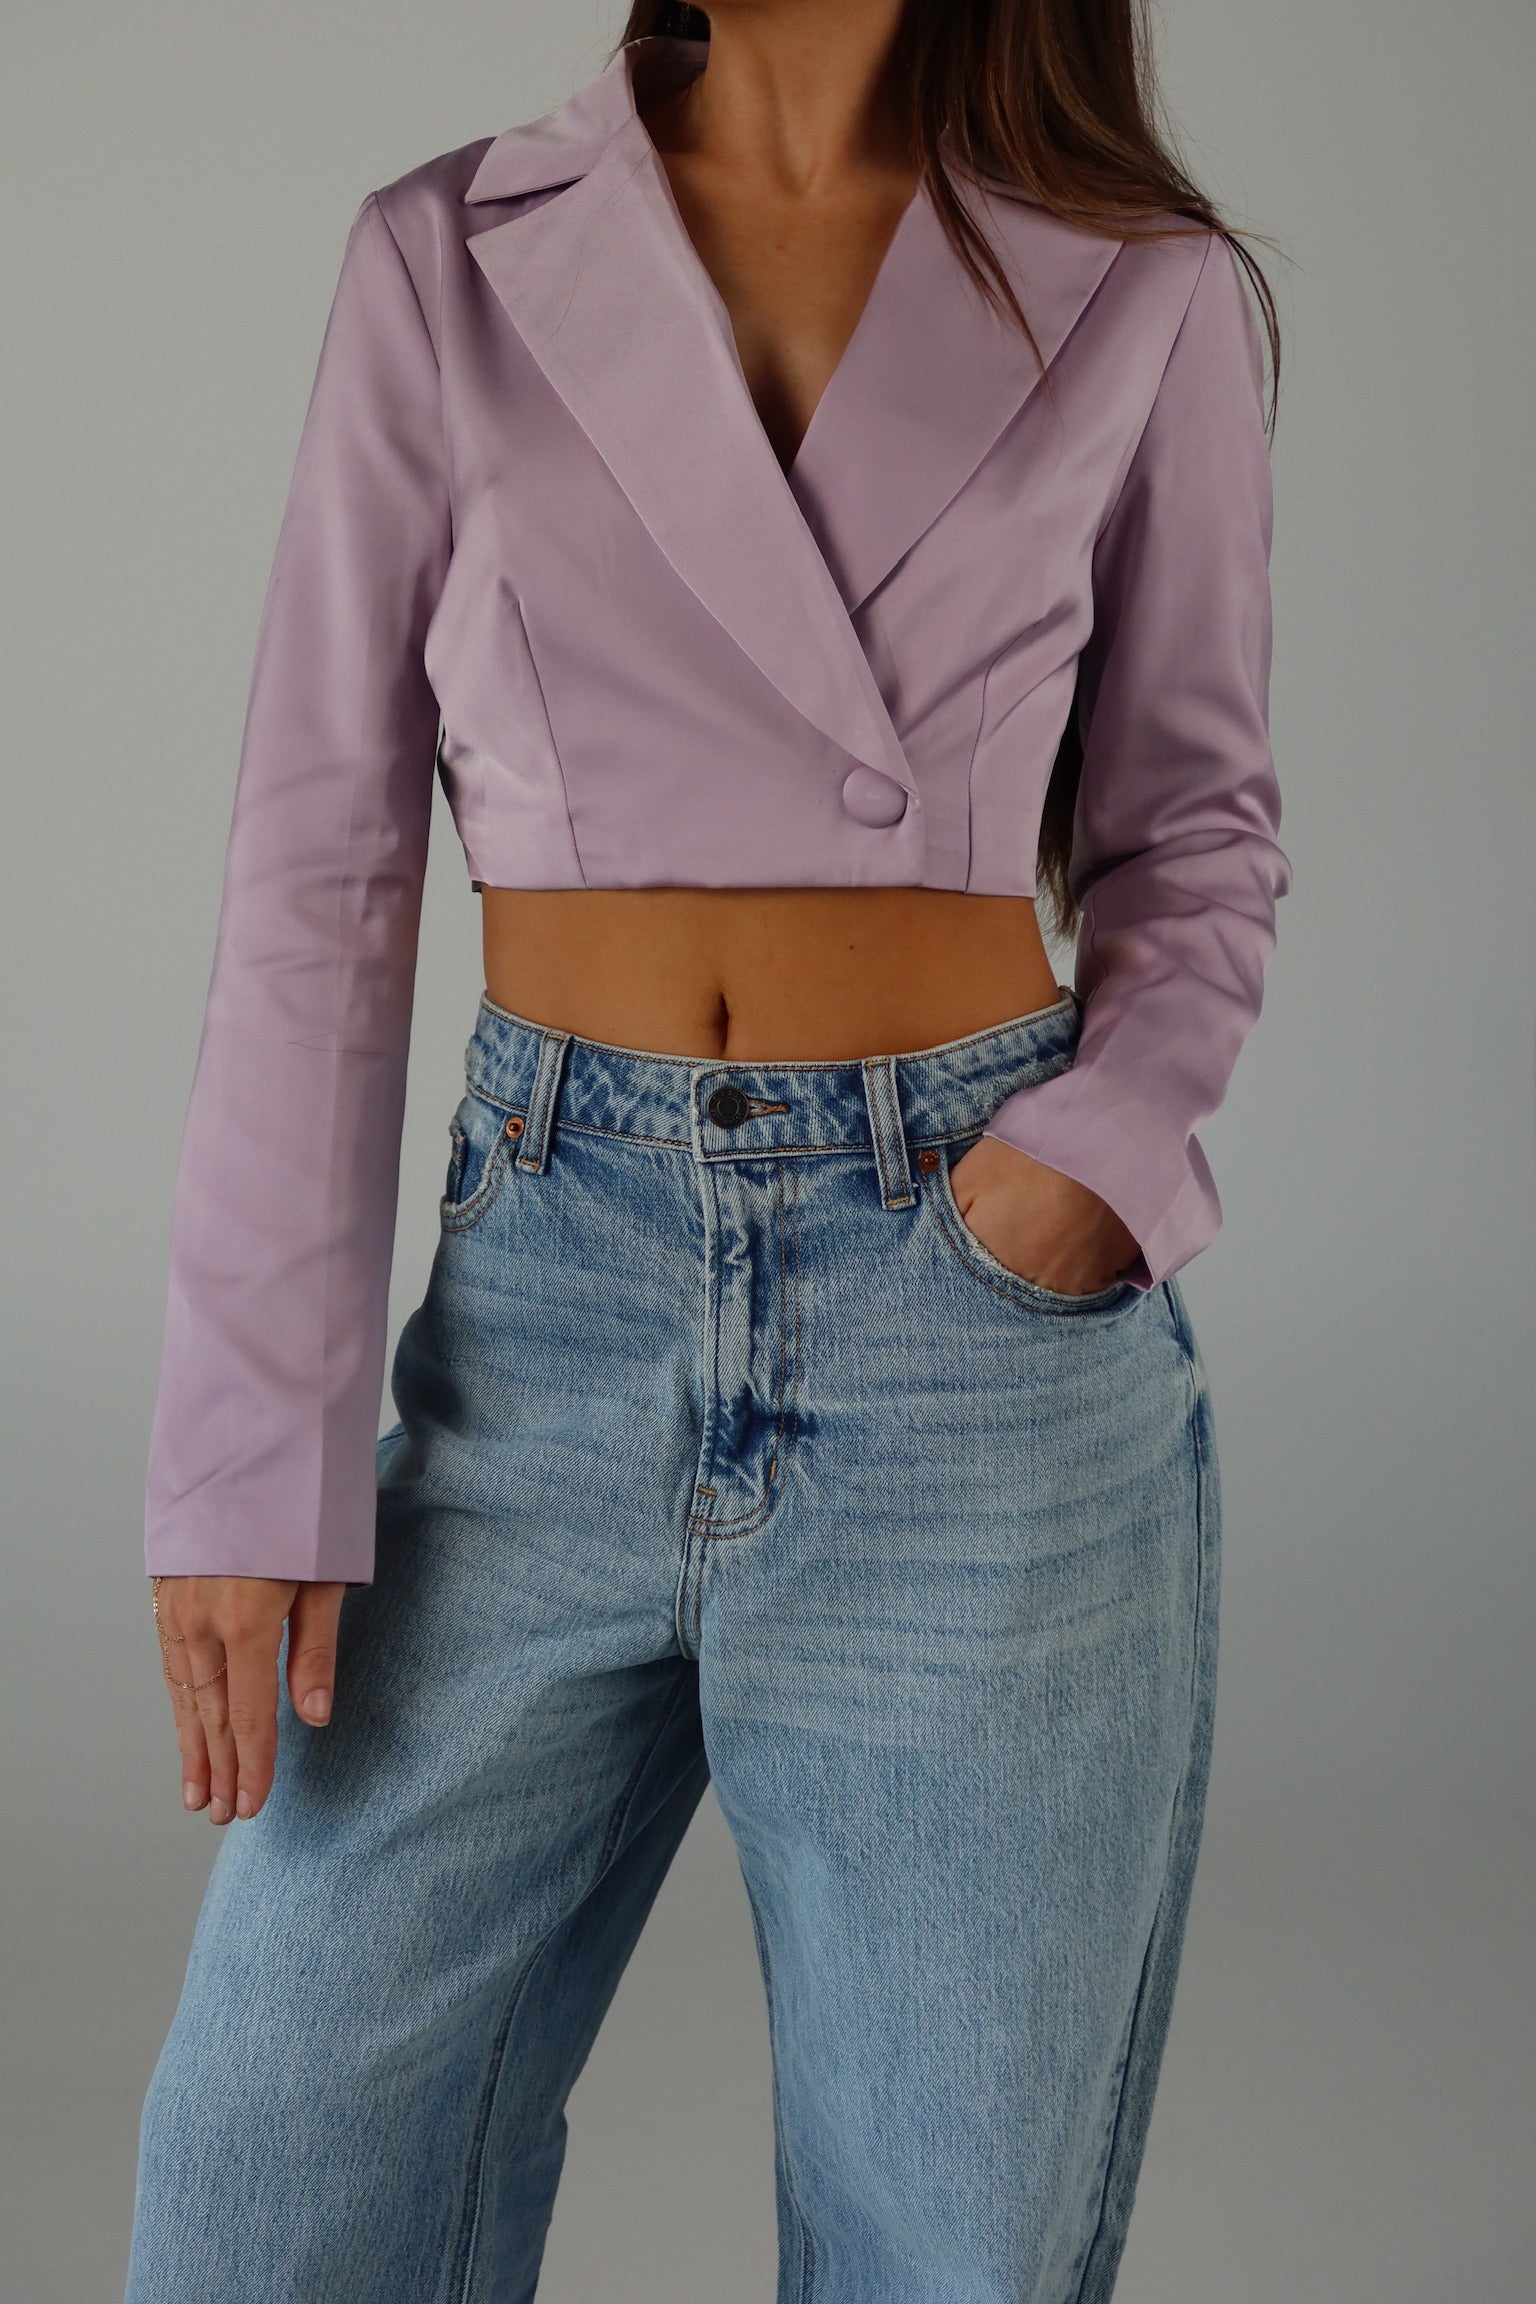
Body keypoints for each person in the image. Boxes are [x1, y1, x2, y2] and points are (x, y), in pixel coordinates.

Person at [126, 0, 1291, 2295]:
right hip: (549, 1289)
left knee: (947, 2242)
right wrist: (247, 1451)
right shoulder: (450, 254)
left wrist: (1091, 1170)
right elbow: (315, 877)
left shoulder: (1136, 281)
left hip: (970, 1331)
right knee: (273, 2169)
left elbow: (1199, 833)